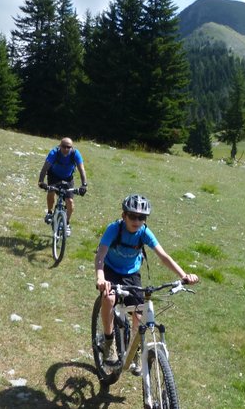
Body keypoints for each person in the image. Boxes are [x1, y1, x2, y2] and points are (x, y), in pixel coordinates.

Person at [95, 193, 199, 372]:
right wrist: (100, 277)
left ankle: (133, 349)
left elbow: (163, 256)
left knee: (139, 311)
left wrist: (184, 275)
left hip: (131, 273)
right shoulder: (114, 229)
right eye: (133, 216)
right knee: (109, 299)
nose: (137, 221)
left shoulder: (144, 232)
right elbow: (101, 254)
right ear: (124, 216)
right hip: (111, 270)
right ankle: (108, 341)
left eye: (142, 217)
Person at [38, 137, 87, 236]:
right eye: (63, 146)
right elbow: (45, 167)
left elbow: (81, 169)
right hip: (54, 176)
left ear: (71, 147)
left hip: (68, 178)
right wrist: (41, 182)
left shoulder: (75, 154)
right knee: (51, 191)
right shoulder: (54, 153)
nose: (66, 149)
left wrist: (84, 185)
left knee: (70, 201)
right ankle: (49, 212)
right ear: (60, 146)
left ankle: (67, 223)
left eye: (68, 147)